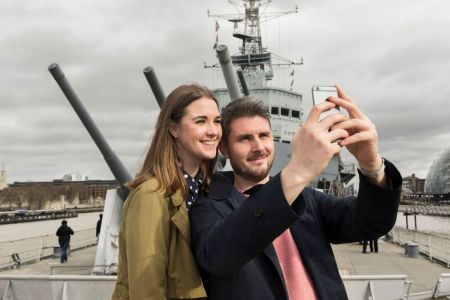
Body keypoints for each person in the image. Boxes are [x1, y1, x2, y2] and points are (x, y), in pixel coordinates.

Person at [190, 88, 402, 300]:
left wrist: (371, 165)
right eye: (244, 139)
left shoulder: (308, 199)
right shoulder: (207, 206)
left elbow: (371, 222)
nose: (259, 147)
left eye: (264, 135)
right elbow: (218, 256)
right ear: (224, 149)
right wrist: (298, 170)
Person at [111, 84, 221, 300]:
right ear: (173, 129)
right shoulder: (151, 196)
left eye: (217, 121)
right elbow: (147, 290)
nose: (213, 131)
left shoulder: (204, 190)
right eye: (201, 121)